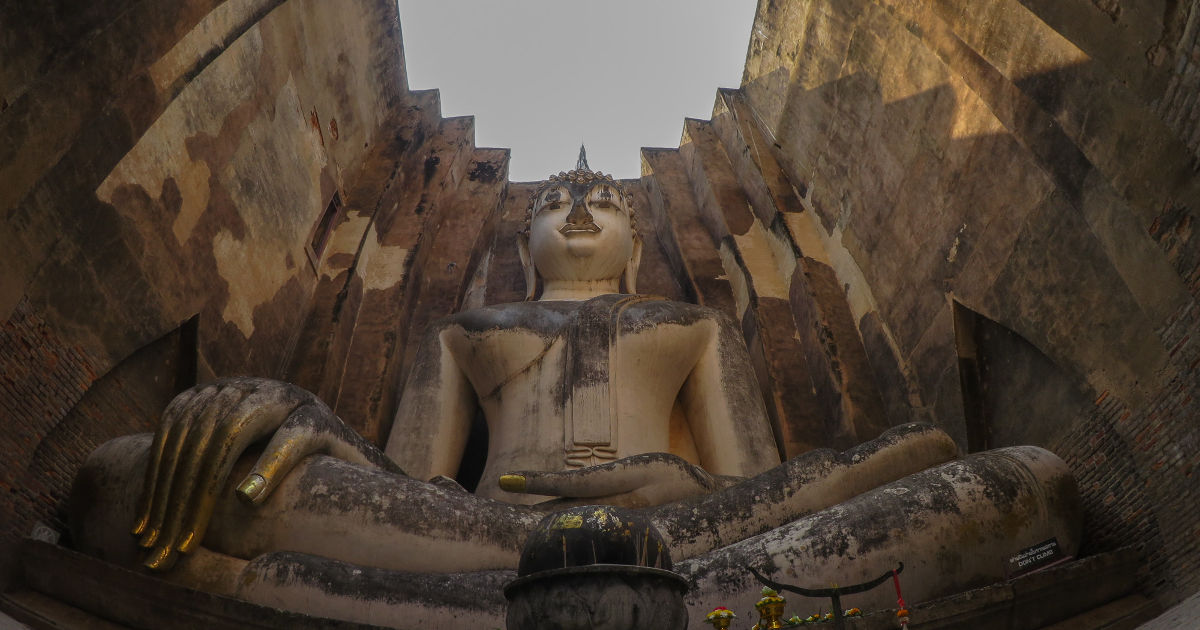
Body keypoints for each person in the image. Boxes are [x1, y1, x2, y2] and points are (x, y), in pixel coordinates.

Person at [71, 160, 1078, 621]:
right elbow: (406, 481)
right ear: (524, 239)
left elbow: (764, 481)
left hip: (700, 531)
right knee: (132, 476)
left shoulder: (690, 327)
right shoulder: (467, 331)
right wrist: (310, 425)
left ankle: (304, 600)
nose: (583, 207)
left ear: (639, 238)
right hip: (474, 537)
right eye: (558, 199)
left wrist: (661, 478)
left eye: (604, 200)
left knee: (997, 474)